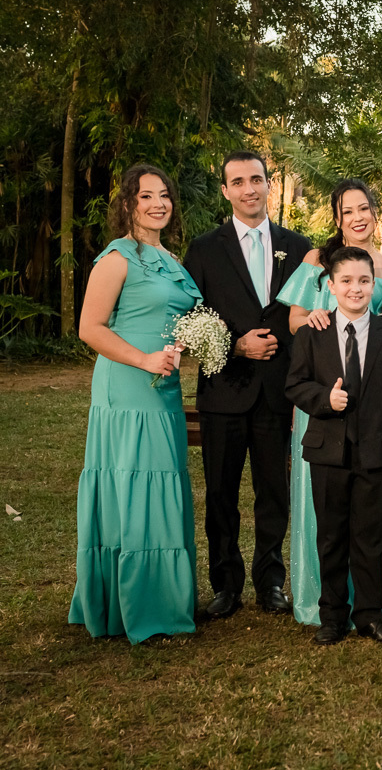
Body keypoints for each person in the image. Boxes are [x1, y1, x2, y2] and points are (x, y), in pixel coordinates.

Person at [70, 164, 202, 643]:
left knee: (162, 481)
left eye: (164, 195)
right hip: (127, 385)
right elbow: (90, 328)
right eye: (146, 196)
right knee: (133, 483)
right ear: (127, 204)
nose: (158, 204)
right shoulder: (116, 257)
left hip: (164, 387)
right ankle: (131, 603)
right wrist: (144, 359)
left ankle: (163, 597)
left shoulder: (171, 259)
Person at [276, 179, 382, 626]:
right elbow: (295, 321)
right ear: (337, 218)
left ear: (375, 212)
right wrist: (313, 316)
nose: (357, 217)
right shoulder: (317, 260)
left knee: (372, 517)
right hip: (327, 405)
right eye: (347, 211)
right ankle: (327, 606)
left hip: (375, 411)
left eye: (364, 208)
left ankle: (374, 604)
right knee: (330, 518)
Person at [184, 150, 311, 619]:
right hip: (225, 388)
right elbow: (191, 317)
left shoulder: (299, 247)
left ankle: (271, 580)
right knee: (220, 493)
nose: (249, 189)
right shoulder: (204, 249)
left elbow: (307, 315)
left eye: (256, 179)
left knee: (273, 492)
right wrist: (236, 346)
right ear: (225, 190)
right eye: (237, 182)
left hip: (278, 390)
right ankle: (225, 584)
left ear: (268, 183)